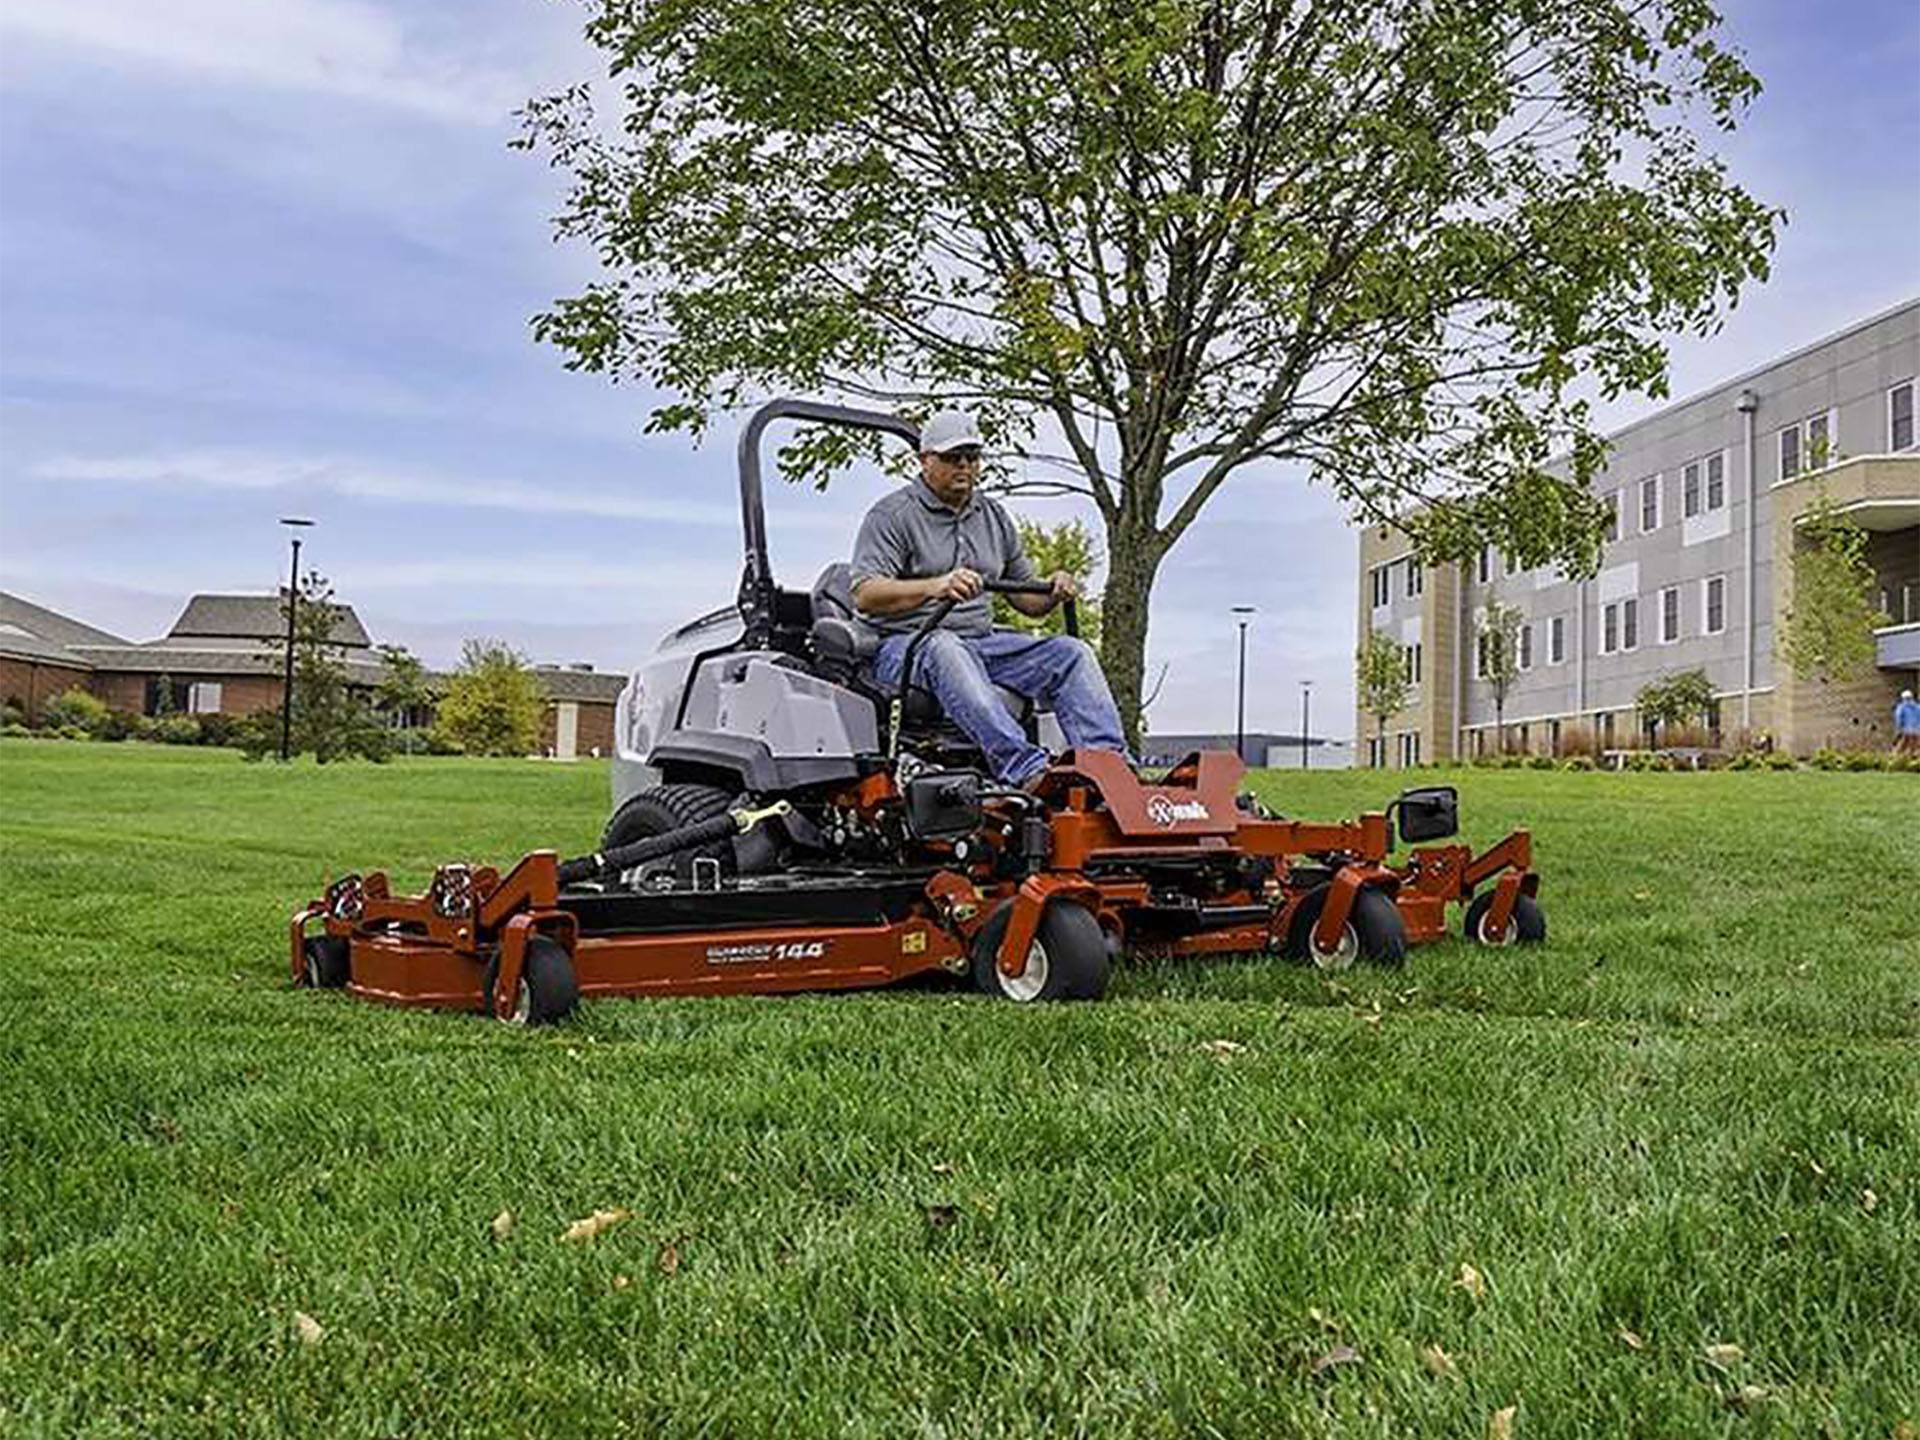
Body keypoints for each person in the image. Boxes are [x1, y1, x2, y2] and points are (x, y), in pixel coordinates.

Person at [849, 408, 1130, 787]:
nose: (964, 466)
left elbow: (1027, 600)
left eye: (972, 457)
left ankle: (1110, 772)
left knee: (1071, 653)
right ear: (924, 460)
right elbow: (865, 594)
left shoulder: (992, 516)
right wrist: (935, 586)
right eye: (952, 458)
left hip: (982, 643)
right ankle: (1026, 770)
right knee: (945, 647)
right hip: (904, 648)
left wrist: (1052, 588)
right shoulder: (892, 516)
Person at [1895, 688, 1920, 756]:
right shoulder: (1918, 707)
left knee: (1902, 746)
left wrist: (1899, 729)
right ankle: (1912, 760)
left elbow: (1899, 718)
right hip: (1917, 730)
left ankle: (1895, 760)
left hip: (1906, 730)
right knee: (1914, 747)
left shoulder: (1902, 707)